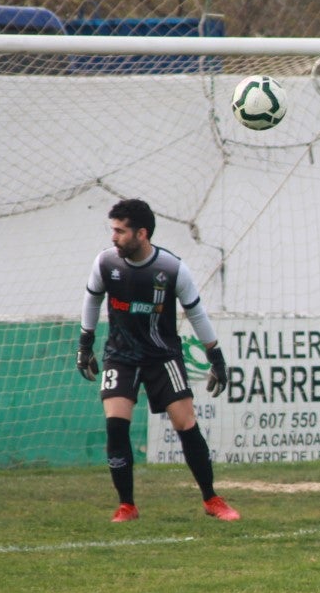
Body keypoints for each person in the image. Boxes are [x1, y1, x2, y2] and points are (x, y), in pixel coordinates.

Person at [76, 198, 239, 523]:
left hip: (163, 356)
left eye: (120, 231)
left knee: (185, 423)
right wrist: (85, 343)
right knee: (116, 426)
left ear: (142, 233)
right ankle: (127, 506)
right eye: (113, 230)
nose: (114, 237)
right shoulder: (106, 263)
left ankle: (211, 498)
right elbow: (92, 301)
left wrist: (215, 357)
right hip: (120, 357)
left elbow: (195, 312)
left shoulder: (171, 268)